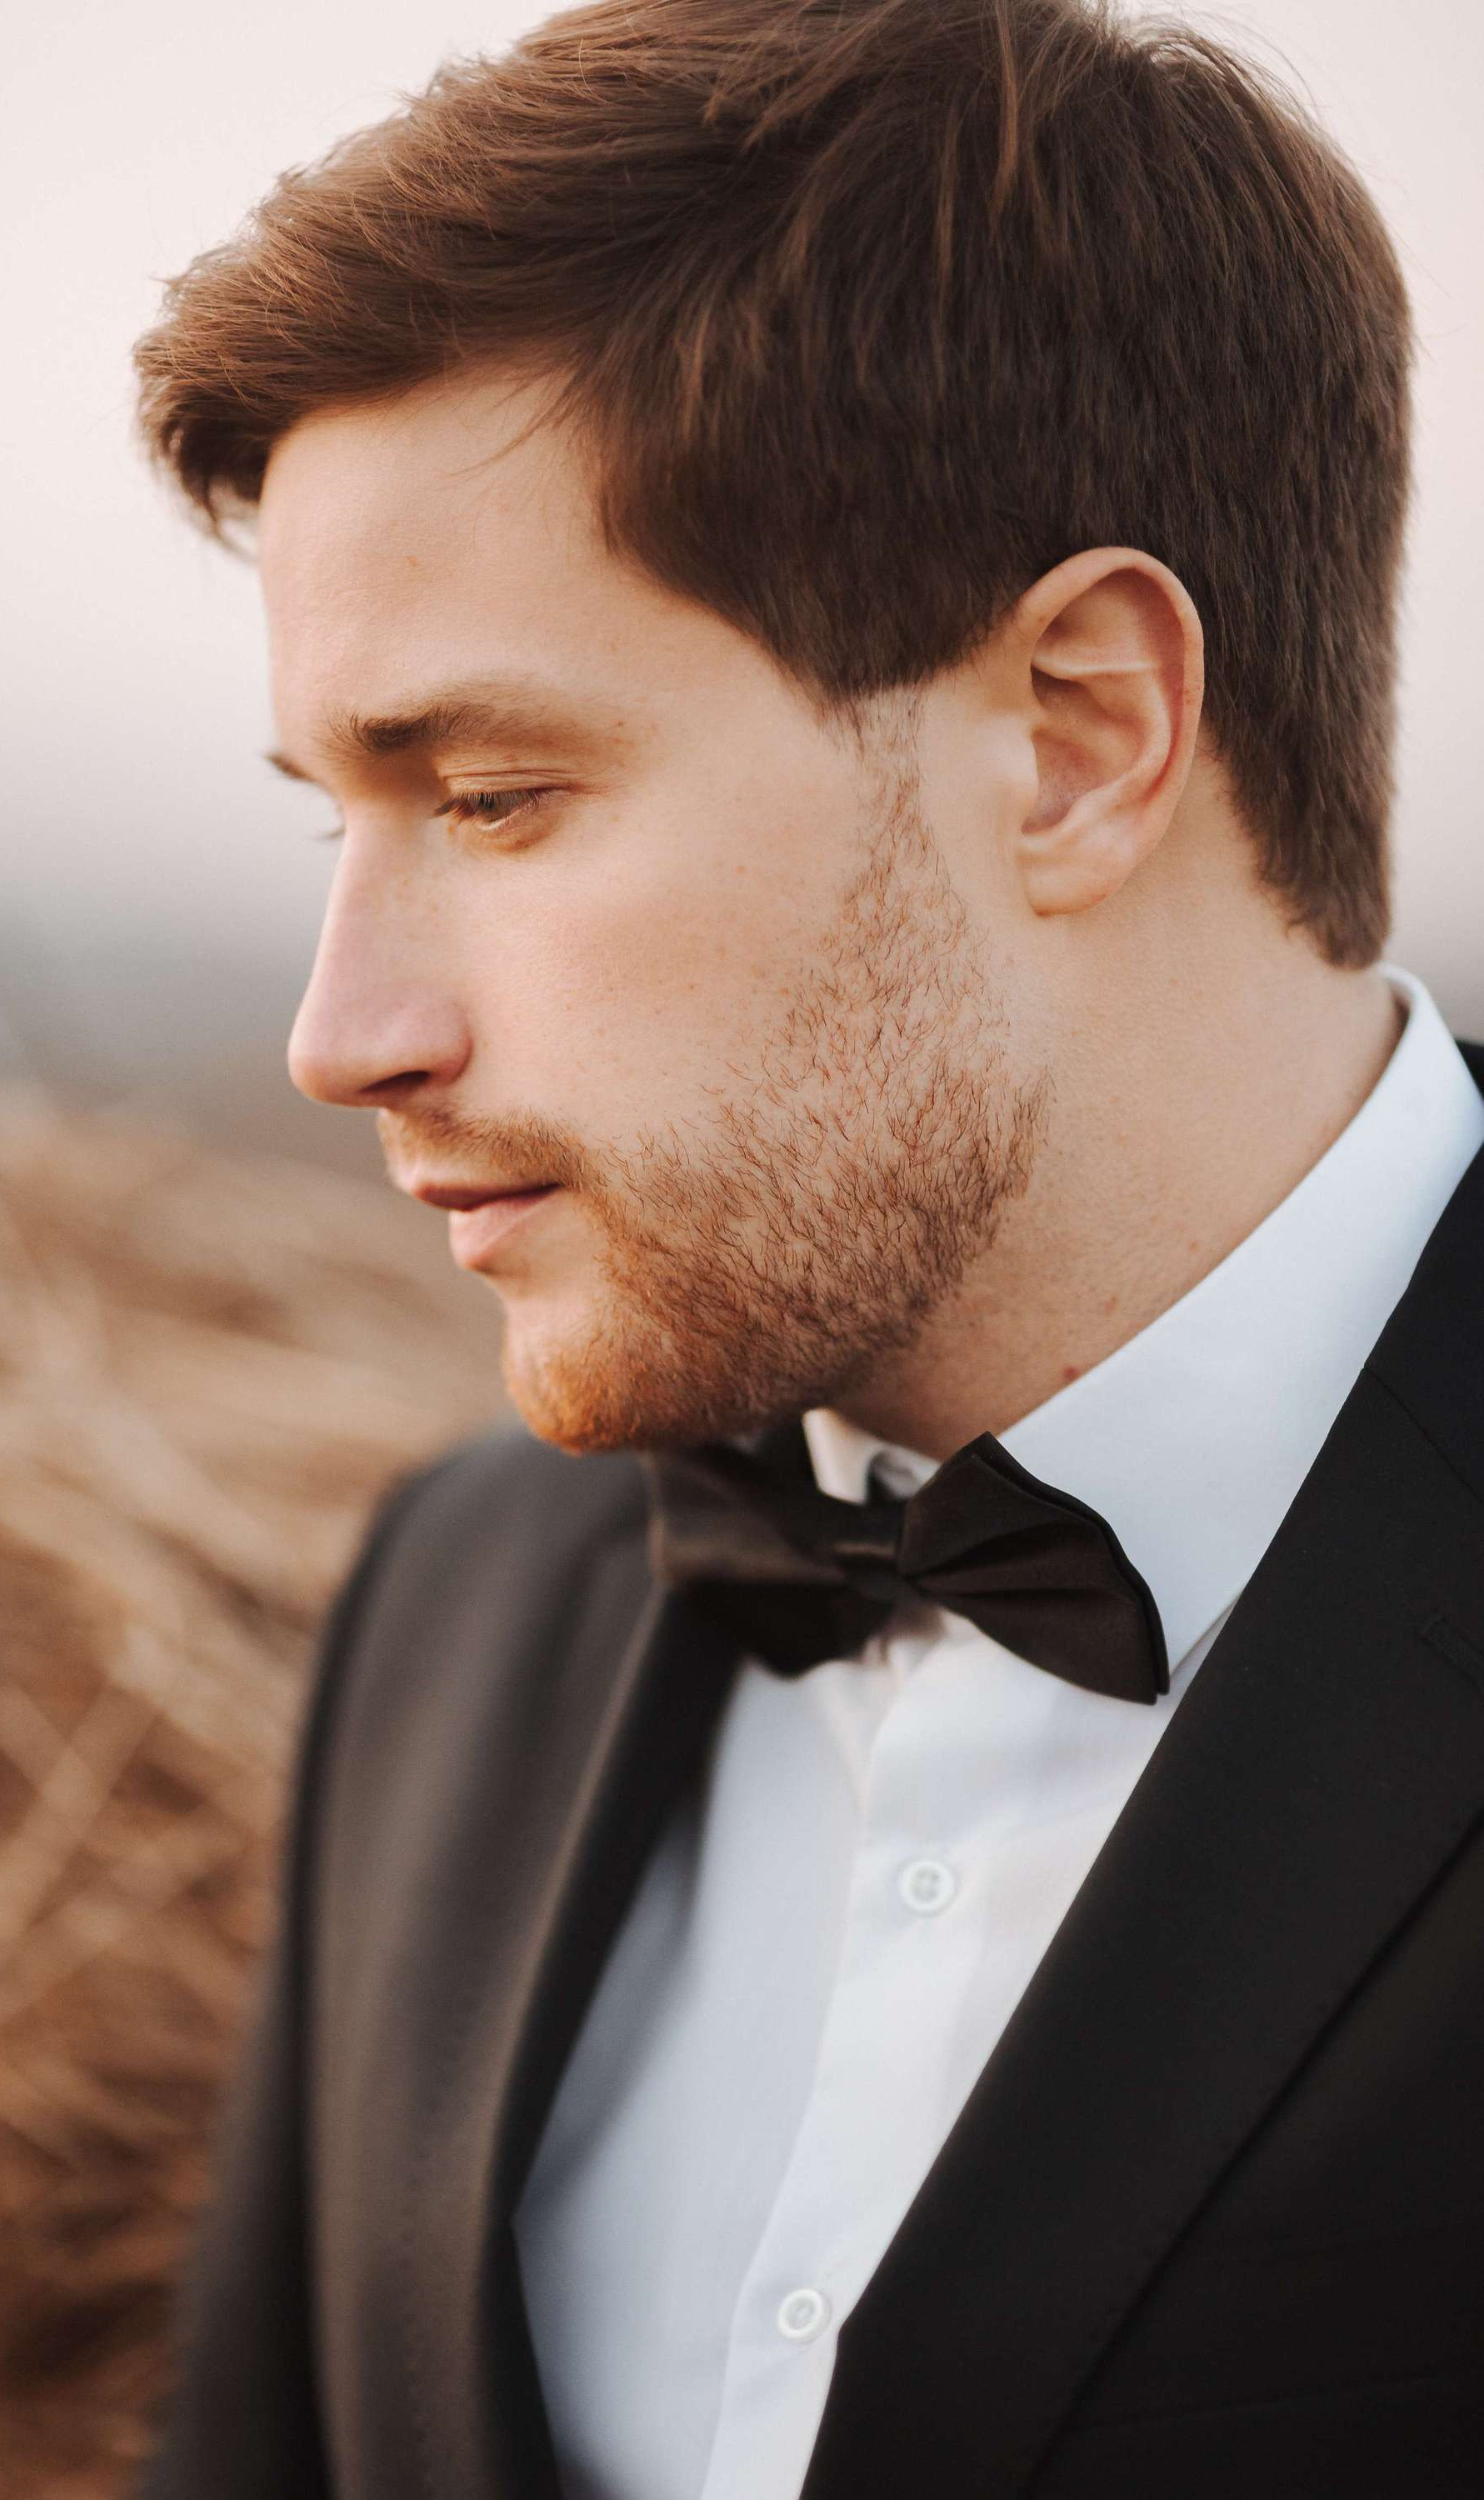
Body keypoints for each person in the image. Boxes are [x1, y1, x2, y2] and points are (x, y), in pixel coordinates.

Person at [132, 2, 1484, 2493]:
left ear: (1078, 729)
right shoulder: (462, 1596)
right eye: (335, 816)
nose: (345, 1031)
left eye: (501, 794)